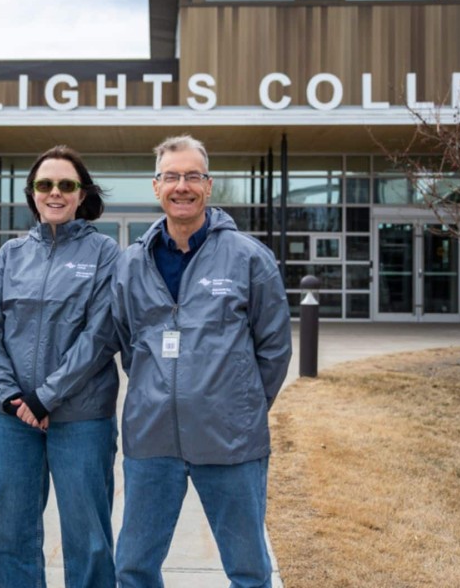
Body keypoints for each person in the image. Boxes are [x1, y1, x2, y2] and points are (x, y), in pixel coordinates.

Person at [111, 135, 292, 588]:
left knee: (248, 571)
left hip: (230, 440)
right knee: (133, 569)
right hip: (151, 439)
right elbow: (128, 341)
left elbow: (274, 348)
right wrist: (160, 391)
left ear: (209, 186)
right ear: (156, 187)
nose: (182, 186)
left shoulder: (250, 257)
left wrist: (239, 404)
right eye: (171, 176)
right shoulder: (133, 263)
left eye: (193, 176)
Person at [0, 146, 121, 588]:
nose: (55, 192)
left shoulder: (105, 253)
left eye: (66, 185)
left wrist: (45, 396)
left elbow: (101, 334)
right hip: (13, 419)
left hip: (82, 417)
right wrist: (14, 398)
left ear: (81, 194)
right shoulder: (10, 255)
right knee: (9, 534)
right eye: (44, 184)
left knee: (88, 536)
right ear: (32, 193)